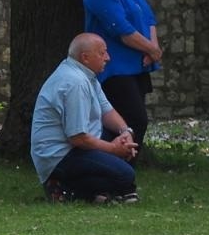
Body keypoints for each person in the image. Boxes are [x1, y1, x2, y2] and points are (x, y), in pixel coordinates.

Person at [30, 33, 139, 204]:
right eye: (102, 53)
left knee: (122, 161)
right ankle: (63, 187)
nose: (108, 58)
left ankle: (102, 192)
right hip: (60, 155)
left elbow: (106, 111)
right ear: (85, 57)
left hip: (76, 147)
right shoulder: (76, 83)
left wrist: (126, 132)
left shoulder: (85, 76)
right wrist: (113, 149)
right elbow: (77, 138)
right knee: (125, 175)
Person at [83, 0, 161, 152]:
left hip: (136, 64)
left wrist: (152, 48)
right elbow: (121, 29)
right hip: (115, 68)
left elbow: (147, 17)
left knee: (133, 122)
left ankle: (119, 174)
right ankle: (115, 171)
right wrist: (150, 49)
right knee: (132, 122)